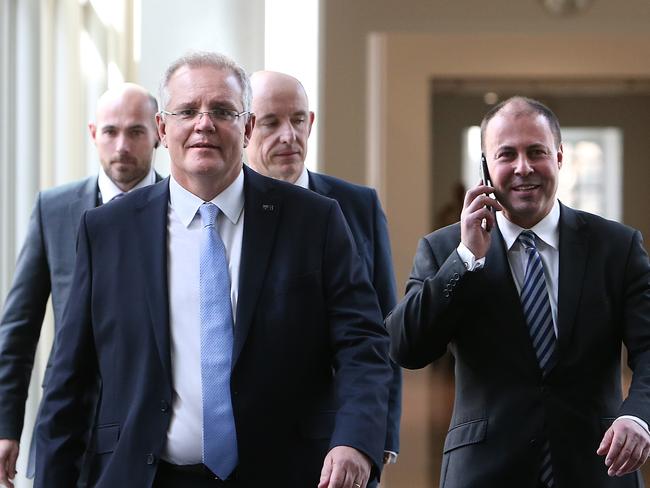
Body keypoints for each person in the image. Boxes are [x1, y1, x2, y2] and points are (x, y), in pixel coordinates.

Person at [34, 52, 392, 488]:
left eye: (222, 111)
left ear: (246, 127)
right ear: (164, 130)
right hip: (145, 476)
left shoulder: (313, 220)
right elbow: (69, 381)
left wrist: (355, 438)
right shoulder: (107, 231)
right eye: (187, 111)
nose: (204, 123)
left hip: (285, 474)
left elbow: (363, 343)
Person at [387, 96, 650, 487]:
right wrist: (466, 258)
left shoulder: (617, 246)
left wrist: (638, 416)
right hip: (484, 472)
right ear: (486, 167)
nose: (523, 167)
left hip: (597, 468)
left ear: (559, 157)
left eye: (536, 152)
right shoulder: (445, 250)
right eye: (506, 154)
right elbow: (405, 348)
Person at [0, 82, 160, 487]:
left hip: (153, 431)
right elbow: (19, 327)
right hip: (70, 424)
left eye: (136, 131)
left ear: (158, 132)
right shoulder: (54, 209)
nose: (122, 144)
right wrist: (6, 425)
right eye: (110, 131)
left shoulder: (182, 209)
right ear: (93, 134)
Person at [245, 70, 402, 473]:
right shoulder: (226, 213)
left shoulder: (358, 205)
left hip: (340, 433)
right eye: (270, 122)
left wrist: (379, 435)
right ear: (246, 128)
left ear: (311, 122)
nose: (288, 135)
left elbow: (383, 328)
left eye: (298, 120)